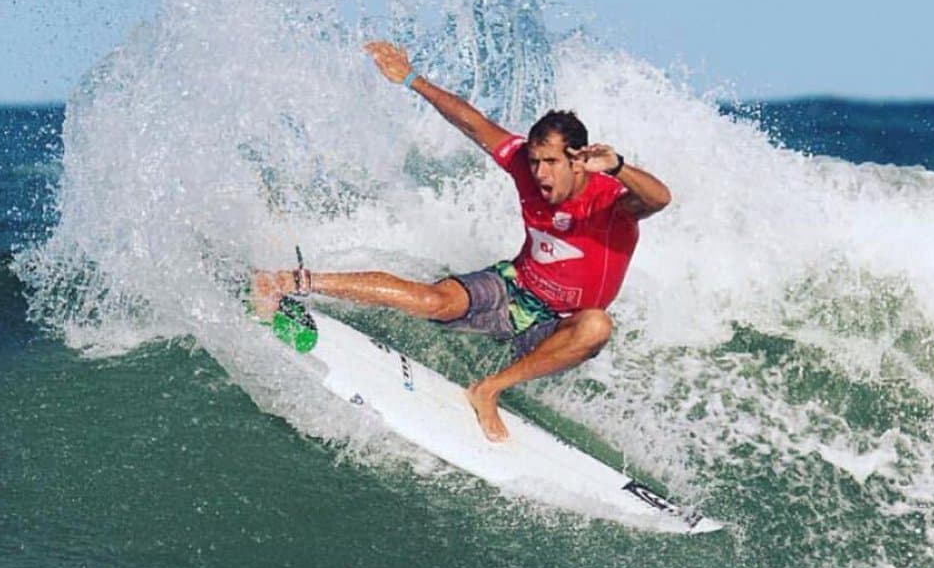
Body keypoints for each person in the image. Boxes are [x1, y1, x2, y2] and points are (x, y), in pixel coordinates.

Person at [252, 41, 672, 442]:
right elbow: (471, 122)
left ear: (578, 161)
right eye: (535, 161)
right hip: (513, 287)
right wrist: (410, 77)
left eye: (551, 163)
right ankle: (288, 282)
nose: (540, 174)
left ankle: (488, 389)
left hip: (556, 325)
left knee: (597, 325)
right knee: (433, 301)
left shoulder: (608, 201)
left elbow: (659, 198)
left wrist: (617, 166)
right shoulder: (524, 167)